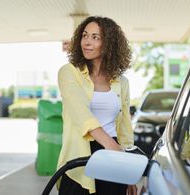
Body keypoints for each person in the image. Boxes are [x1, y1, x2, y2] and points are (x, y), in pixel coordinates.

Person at [57, 16, 136, 195]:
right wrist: (111, 146)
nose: (87, 42)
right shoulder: (69, 73)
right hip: (80, 155)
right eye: (85, 35)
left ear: (109, 44)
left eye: (95, 37)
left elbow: (125, 129)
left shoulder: (121, 82)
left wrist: (129, 170)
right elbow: (80, 112)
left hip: (112, 158)